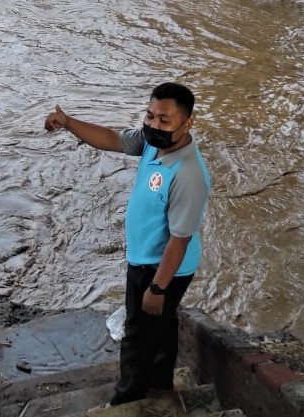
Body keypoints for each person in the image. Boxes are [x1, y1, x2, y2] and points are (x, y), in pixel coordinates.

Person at [44, 82, 211, 408]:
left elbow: (179, 240)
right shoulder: (152, 144)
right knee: (161, 326)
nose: (154, 125)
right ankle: (162, 386)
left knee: (137, 335)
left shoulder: (189, 174)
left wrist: (158, 288)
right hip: (147, 258)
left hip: (161, 267)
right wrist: (69, 122)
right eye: (150, 116)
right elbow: (111, 139)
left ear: (187, 123)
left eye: (165, 120)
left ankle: (126, 400)